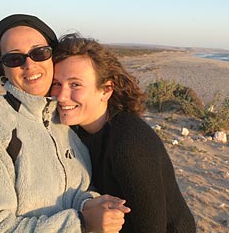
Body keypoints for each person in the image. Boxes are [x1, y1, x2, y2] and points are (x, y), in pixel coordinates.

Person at [0, 14, 129, 232]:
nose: (29, 65)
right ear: (3, 69)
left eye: (39, 53)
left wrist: (90, 203)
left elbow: (77, 189)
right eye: (14, 59)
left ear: (51, 57)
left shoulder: (65, 116)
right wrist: (82, 223)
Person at [50, 32, 197, 232]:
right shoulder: (76, 132)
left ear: (106, 90)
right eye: (57, 84)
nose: (61, 96)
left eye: (75, 84)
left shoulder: (129, 143)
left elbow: (153, 228)